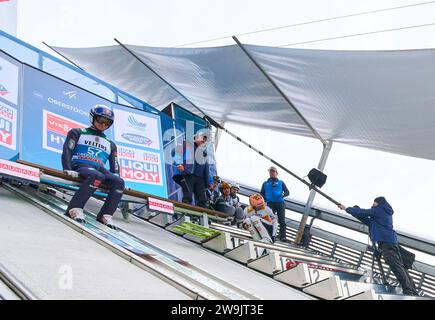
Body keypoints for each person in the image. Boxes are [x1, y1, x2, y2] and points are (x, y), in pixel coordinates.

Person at [338, 197, 418, 296]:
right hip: (388, 242)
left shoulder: (380, 210)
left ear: (379, 203)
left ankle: (408, 290)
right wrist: (354, 212)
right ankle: (412, 290)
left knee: (395, 264)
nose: (372, 204)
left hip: (387, 242)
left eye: (374, 202)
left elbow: (365, 212)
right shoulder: (379, 215)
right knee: (399, 265)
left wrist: (346, 208)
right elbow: (366, 219)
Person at [62, 105, 125, 230]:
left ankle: (105, 215)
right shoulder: (77, 132)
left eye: (107, 122)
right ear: (92, 118)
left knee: (119, 182)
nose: (103, 124)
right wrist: (67, 168)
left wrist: (116, 176)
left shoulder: (111, 144)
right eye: (100, 120)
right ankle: (74, 208)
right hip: (81, 164)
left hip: (99, 168)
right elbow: (67, 150)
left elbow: (115, 164)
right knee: (97, 176)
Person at [172, 132, 210, 208]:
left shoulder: (204, 153)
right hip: (187, 174)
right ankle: (187, 214)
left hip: (200, 178)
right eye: (202, 138)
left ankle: (200, 216)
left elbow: (206, 169)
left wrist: (209, 182)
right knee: (187, 196)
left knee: (202, 199)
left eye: (205, 139)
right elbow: (175, 152)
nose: (204, 140)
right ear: (196, 138)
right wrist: (179, 163)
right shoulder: (186, 144)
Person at [260, 166, 290, 242]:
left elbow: (287, 192)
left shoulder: (281, 182)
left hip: (280, 203)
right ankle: (269, 234)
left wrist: (283, 194)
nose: (272, 173)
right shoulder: (265, 183)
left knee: (282, 220)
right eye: (270, 171)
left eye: (273, 171)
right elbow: (261, 193)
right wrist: (265, 199)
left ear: (276, 173)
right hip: (270, 203)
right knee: (270, 219)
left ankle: (283, 236)